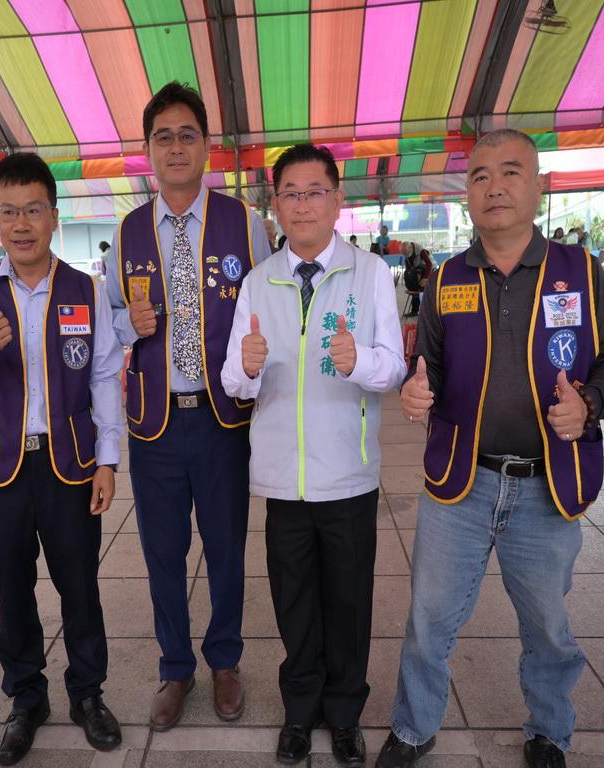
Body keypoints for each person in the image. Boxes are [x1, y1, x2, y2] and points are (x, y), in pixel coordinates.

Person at [374, 129, 604, 768]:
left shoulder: (579, 271)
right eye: (481, 176)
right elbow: (426, 367)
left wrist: (589, 404)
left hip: (548, 484)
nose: (496, 187)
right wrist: (415, 391)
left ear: (538, 186)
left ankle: (549, 731)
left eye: (511, 172)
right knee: (429, 619)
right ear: (467, 194)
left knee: (547, 627)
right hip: (460, 484)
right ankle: (413, 728)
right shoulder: (447, 278)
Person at [222, 144, 405, 766]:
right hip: (282, 480)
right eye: (290, 194)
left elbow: (394, 367)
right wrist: (247, 368)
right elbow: (233, 381)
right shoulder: (258, 281)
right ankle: (300, 711)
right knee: (294, 603)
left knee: (349, 603)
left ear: (337, 199)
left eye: (314, 192)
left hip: (347, 477)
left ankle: (345, 713)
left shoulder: (369, 273)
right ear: (275, 205)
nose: (302, 205)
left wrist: (362, 361)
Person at [104, 81, 272, 732]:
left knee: (226, 547)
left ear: (207, 147)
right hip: (155, 421)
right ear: (147, 151)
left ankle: (225, 660)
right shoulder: (126, 233)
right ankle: (176, 668)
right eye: (163, 137)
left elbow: (270, 310)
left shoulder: (244, 224)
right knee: (162, 552)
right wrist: (130, 324)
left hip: (224, 417)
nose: (175, 147)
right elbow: (107, 324)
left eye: (187, 135)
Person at [0, 153, 125, 764]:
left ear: (53, 216)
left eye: (32, 210)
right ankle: (27, 699)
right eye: (8, 212)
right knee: (12, 590)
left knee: (80, 585)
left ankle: (88, 694)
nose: (20, 224)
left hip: (69, 463)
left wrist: (107, 461)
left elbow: (104, 377)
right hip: (1, 468)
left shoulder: (84, 289)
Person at [400, 241, 434, 315]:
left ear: (410, 248)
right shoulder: (408, 254)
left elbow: (429, 264)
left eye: (406, 253)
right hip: (418, 273)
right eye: (404, 254)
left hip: (429, 271)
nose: (406, 255)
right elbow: (409, 270)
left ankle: (428, 312)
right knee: (414, 288)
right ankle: (414, 311)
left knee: (422, 289)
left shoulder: (421, 251)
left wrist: (425, 278)